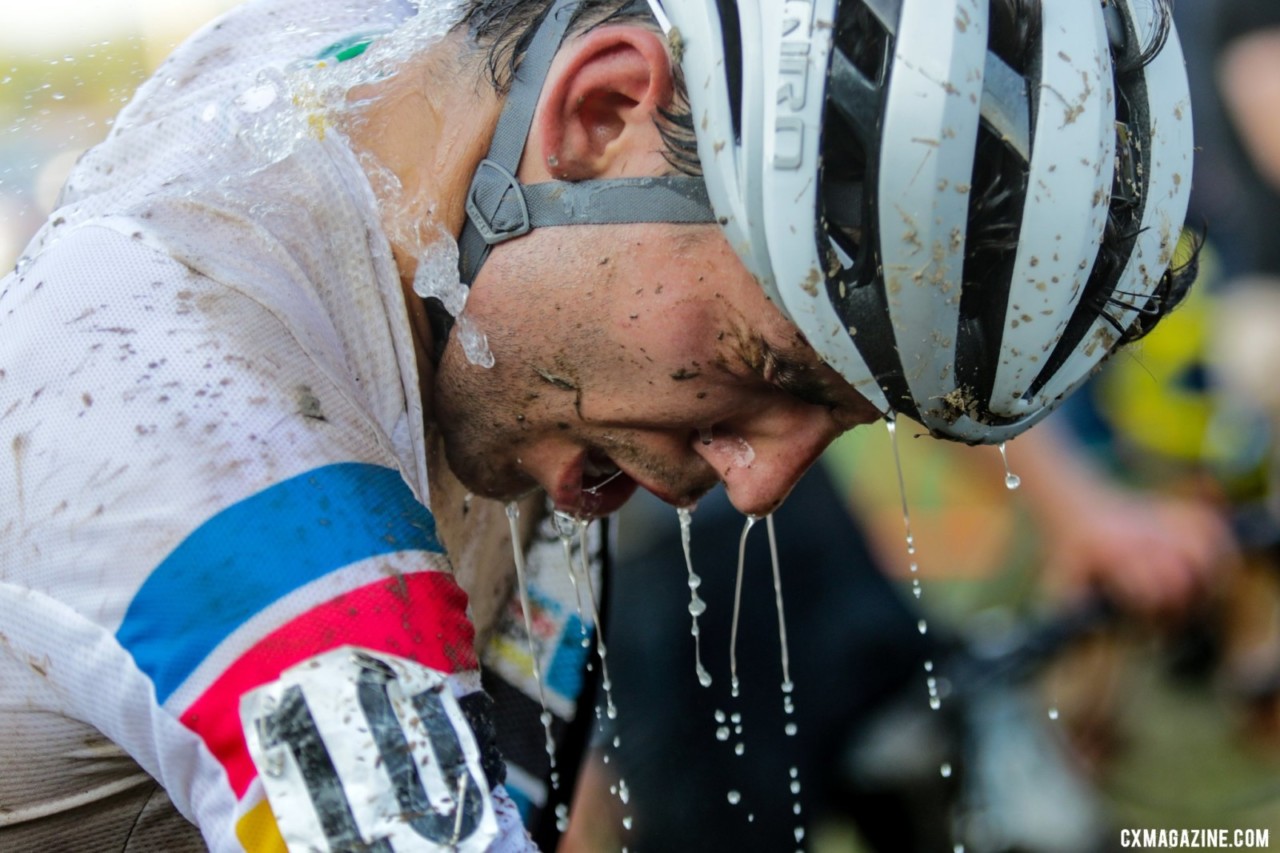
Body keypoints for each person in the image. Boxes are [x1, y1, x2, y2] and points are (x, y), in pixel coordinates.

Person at [0, 0, 1197, 850]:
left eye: (839, 421)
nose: (761, 479)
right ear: (602, 110)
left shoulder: (451, 161)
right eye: (766, 362)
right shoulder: (202, 412)